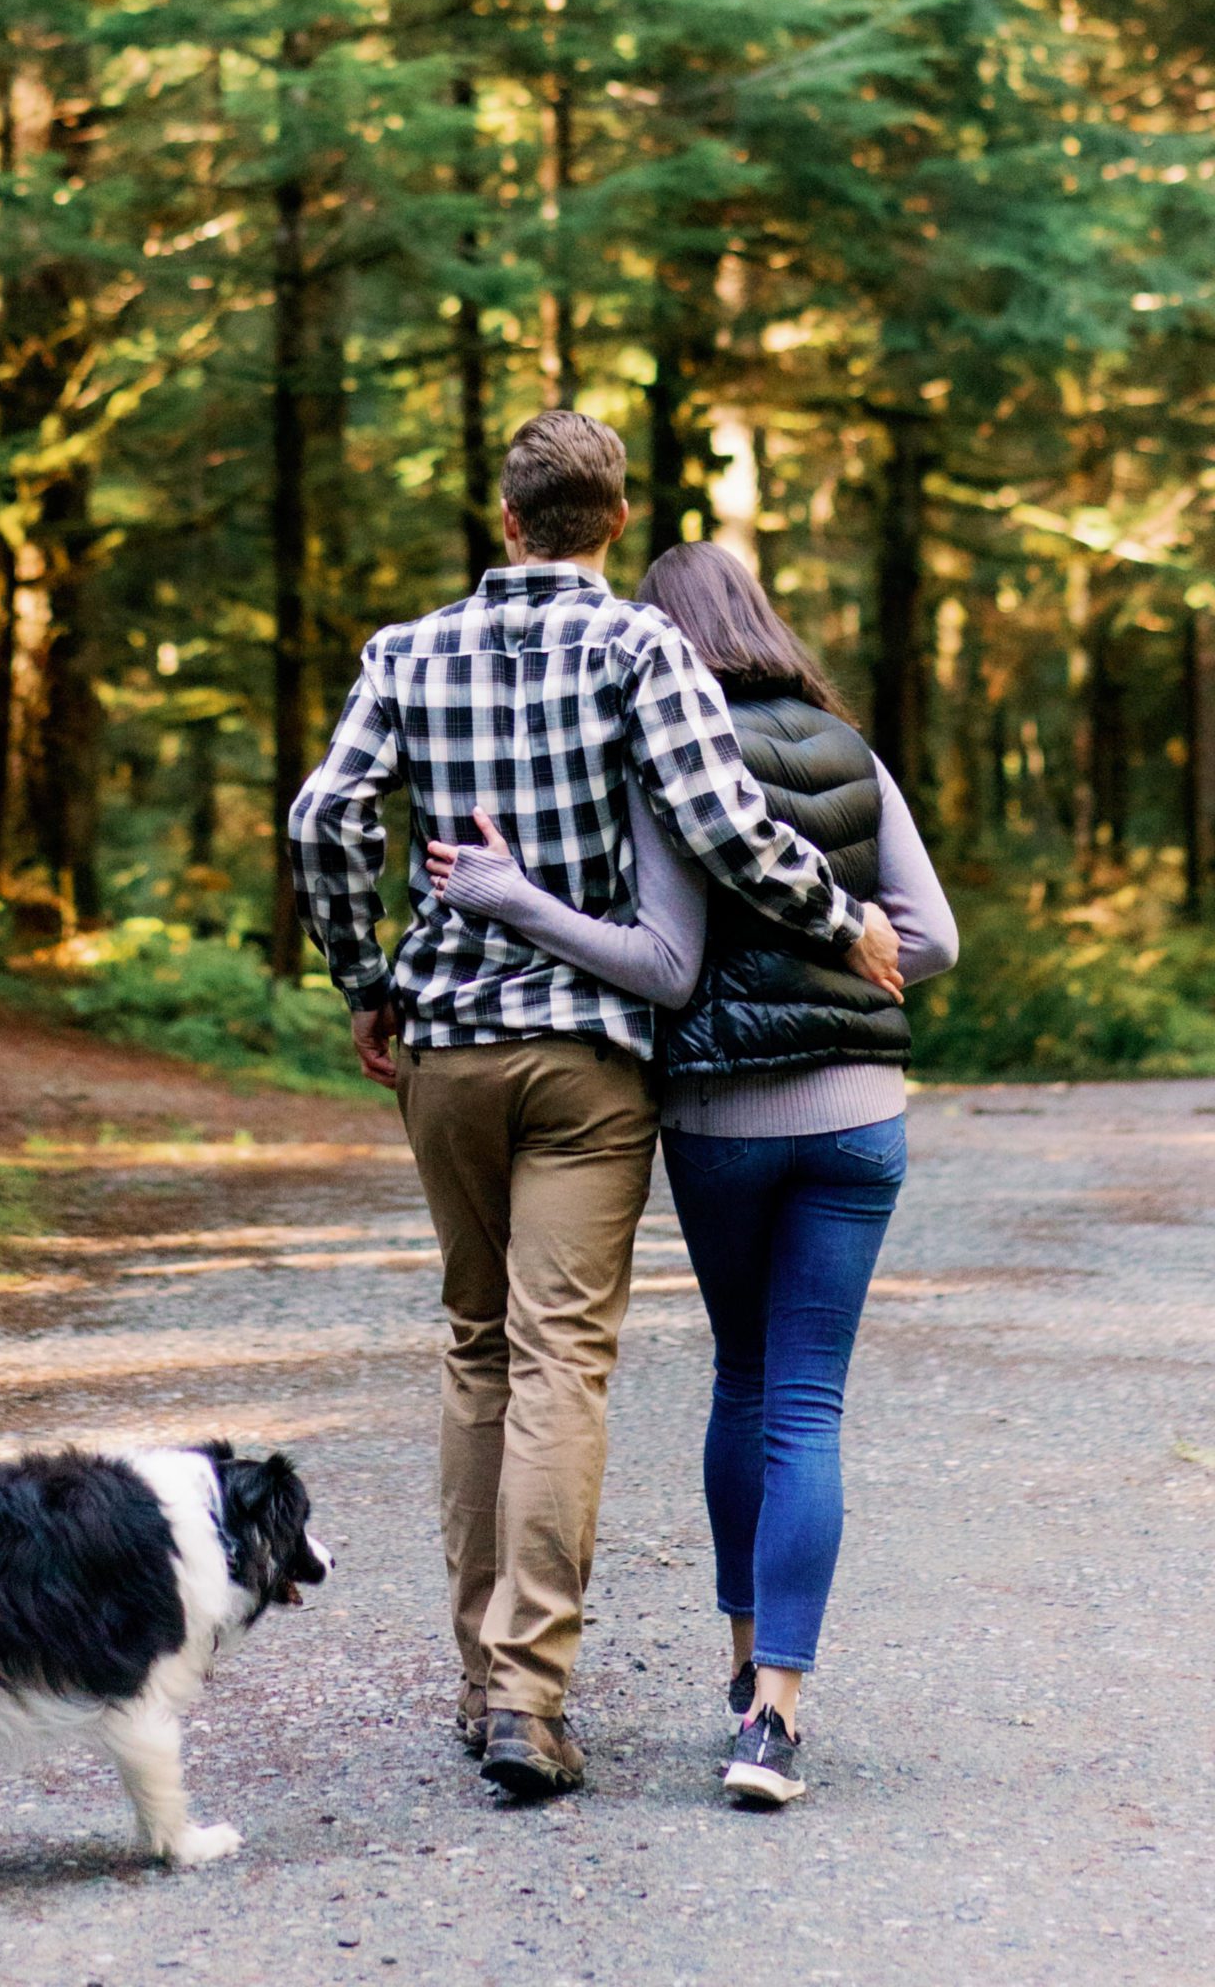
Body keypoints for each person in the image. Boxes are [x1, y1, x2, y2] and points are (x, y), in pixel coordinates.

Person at [287, 412, 904, 1803]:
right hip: (587, 1058)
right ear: (615, 522)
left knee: (477, 1348)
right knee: (560, 1357)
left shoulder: (405, 653)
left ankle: (476, 1685)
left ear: (505, 519)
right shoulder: (640, 648)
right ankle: (528, 1699)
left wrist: (363, 979)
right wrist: (844, 916)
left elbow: (324, 818)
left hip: (446, 1048)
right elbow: (727, 828)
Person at [427, 537, 957, 1808]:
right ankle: (774, 1715)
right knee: (809, 1405)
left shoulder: (673, 756)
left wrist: (512, 897)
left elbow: (662, 968)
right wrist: (844, 963)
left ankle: (738, 1657)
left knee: (746, 1378)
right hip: (861, 1118)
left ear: (661, 643)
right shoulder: (851, 751)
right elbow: (932, 939)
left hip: (725, 1121)